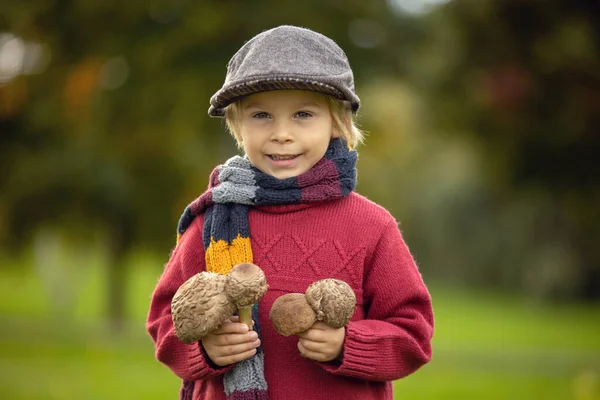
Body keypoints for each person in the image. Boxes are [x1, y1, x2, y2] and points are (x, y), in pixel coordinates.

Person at [147, 25, 434, 400]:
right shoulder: (213, 219)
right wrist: (204, 350)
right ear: (237, 125)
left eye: (302, 114)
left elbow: (413, 332)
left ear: (336, 122)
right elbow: (164, 320)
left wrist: (347, 344)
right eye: (261, 115)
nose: (281, 133)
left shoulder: (371, 226)